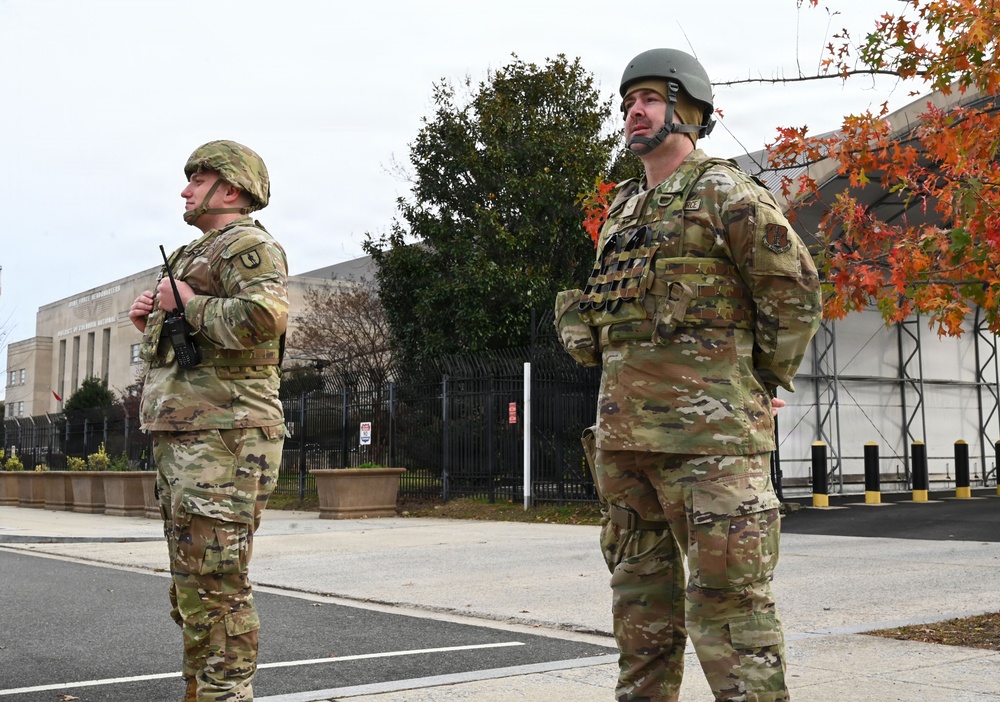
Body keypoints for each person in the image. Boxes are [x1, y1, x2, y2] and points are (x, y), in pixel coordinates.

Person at [556, 49, 822, 701]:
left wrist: (750, 384)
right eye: (626, 103)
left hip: (711, 452)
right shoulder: (620, 213)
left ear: (689, 109)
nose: (632, 112)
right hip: (626, 450)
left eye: (646, 98)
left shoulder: (725, 194)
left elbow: (796, 294)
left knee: (733, 628)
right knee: (640, 631)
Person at [128, 140, 288, 702]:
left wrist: (186, 304)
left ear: (232, 188)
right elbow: (193, 354)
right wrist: (151, 320)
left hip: (228, 439)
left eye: (197, 178)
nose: (185, 189)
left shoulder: (247, 243)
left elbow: (264, 318)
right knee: (192, 586)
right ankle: (202, 691)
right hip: (190, 439)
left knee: (217, 583)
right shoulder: (202, 251)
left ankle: (227, 696)